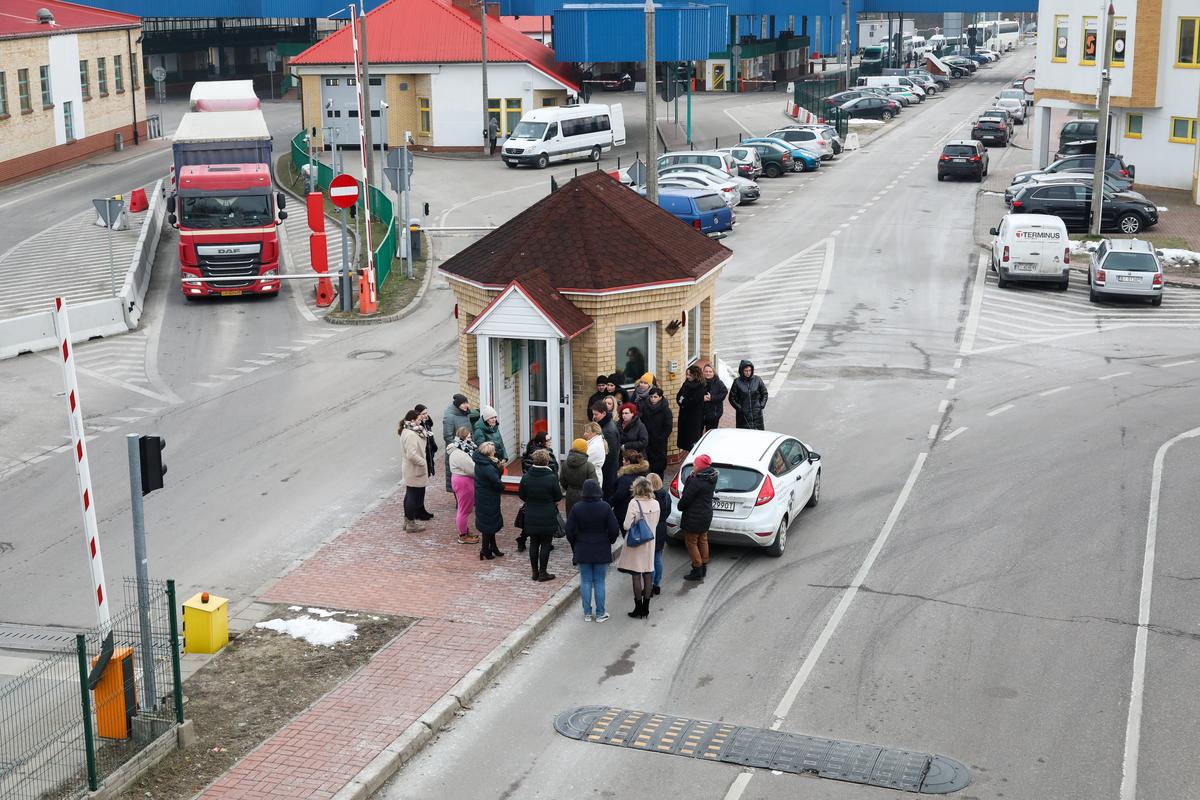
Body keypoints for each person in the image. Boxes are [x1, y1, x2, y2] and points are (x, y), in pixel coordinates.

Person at [565, 479, 619, 622]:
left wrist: (575, 542)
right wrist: (610, 540)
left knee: (586, 581)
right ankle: (600, 613)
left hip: (583, 548)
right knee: (599, 582)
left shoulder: (577, 508)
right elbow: (614, 528)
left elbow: (569, 530)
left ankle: (587, 613)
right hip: (601, 547)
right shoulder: (605, 507)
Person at [617, 476, 659, 618]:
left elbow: (626, 525)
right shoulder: (656, 503)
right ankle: (646, 609)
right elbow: (655, 522)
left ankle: (638, 608)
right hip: (650, 542)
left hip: (636, 543)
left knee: (636, 576)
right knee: (648, 575)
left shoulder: (634, 503)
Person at [518, 449, 563, 582]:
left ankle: (535, 572)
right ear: (547, 461)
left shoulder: (526, 477)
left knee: (533, 543)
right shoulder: (552, 478)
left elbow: (522, 495)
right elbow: (558, 496)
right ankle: (543, 572)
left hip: (531, 514)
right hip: (547, 514)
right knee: (545, 544)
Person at [516, 431, 559, 552]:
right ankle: (544, 541)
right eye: (548, 440)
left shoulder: (532, 452)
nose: (550, 442)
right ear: (541, 442)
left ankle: (523, 539)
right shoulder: (540, 455)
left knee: (531, 517)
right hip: (543, 490)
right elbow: (552, 471)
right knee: (546, 518)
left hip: (534, 492)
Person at [677, 454, 717, 581]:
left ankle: (697, 568)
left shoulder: (696, 481)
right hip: (705, 515)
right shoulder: (711, 477)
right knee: (703, 539)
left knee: (691, 542)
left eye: (695, 464)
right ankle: (703, 565)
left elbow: (686, 499)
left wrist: (680, 506)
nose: (693, 466)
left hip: (694, 517)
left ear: (701, 466)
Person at [473, 441, 506, 560]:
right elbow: (497, 482)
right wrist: (502, 487)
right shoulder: (488, 467)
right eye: (493, 450)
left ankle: (492, 547)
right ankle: (485, 550)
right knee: (488, 524)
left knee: (488, 523)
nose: (495, 452)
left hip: (483, 496)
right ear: (489, 453)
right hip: (489, 498)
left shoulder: (481, 462)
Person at [447, 427, 480, 545]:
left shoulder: (459, 449)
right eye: (469, 437)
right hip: (463, 482)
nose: (470, 439)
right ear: (463, 438)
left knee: (464, 508)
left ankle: (465, 531)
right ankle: (463, 535)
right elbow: (473, 469)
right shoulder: (461, 454)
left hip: (461, 481)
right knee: (464, 510)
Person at [398, 410, 429, 532]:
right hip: (414, 469)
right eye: (419, 420)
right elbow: (411, 454)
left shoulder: (407, 430)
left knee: (410, 494)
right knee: (413, 496)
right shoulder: (411, 434)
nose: (420, 421)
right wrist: (423, 462)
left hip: (411, 469)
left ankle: (407, 522)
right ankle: (410, 523)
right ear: (412, 420)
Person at [609, 448, 650, 531]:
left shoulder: (625, 478)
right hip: (643, 511)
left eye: (624, 459)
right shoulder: (645, 474)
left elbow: (619, 495)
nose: (622, 461)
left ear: (628, 462)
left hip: (625, 512)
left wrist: (611, 502)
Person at [639, 386, 673, 479]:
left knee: (659, 466)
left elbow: (668, 427)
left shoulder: (666, 410)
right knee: (648, 464)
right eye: (651, 397)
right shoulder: (645, 407)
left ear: (660, 397)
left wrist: (660, 439)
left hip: (659, 443)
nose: (653, 399)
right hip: (648, 441)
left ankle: (659, 483)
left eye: (655, 397)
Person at [591, 402, 621, 500]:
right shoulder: (604, 425)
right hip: (607, 469)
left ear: (603, 413)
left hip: (608, 471)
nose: (594, 417)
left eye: (596, 414)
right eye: (593, 414)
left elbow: (611, 454)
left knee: (606, 496)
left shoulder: (608, 431)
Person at [442, 394, 472, 493]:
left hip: (467, 449)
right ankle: (459, 499)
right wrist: (460, 448)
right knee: (458, 476)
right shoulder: (450, 417)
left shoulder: (465, 413)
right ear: (457, 405)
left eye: (466, 402)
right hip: (456, 451)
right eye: (463, 403)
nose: (466, 405)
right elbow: (448, 437)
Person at [560, 438, 598, 514]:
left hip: (570, 494)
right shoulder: (589, 466)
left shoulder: (565, 464)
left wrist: (570, 488)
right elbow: (594, 483)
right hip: (586, 496)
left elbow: (562, 481)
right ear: (585, 449)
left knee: (571, 516)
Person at [728, 359, 768, 430]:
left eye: (749, 370)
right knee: (745, 434)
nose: (748, 372)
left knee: (759, 434)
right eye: (746, 371)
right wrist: (739, 408)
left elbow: (764, 393)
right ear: (742, 371)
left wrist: (761, 405)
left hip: (757, 415)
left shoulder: (757, 380)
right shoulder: (737, 382)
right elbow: (731, 398)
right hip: (743, 416)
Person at [413, 405, 438, 518]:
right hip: (422, 458)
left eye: (426, 413)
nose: (426, 415)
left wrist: (433, 447)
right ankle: (417, 510)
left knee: (423, 484)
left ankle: (421, 508)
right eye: (423, 414)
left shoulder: (427, 423)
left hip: (428, 457)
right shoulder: (417, 427)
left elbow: (430, 438)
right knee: (418, 486)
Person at [648, 473, 670, 596]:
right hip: (662, 527)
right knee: (658, 556)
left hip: (652, 527)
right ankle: (657, 583)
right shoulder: (666, 495)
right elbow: (668, 511)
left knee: (650, 559)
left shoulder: (650, 498)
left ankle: (650, 584)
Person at [676, 364, 706, 453]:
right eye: (687, 374)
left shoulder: (700, 386)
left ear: (695, 375)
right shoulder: (686, 383)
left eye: (690, 375)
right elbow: (679, 395)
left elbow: (693, 401)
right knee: (684, 436)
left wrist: (683, 402)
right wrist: (681, 401)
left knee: (692, 438)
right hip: (684, 415)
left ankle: (692, 453)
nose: (687, 376)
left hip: (694, 417)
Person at [701, 363, 728, 433]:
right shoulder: (699, 382)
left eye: (710, 371)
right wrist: (701, 398)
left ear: (713, 373)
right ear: (703, 372)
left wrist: (712, 398)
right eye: (706, 371)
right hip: (701, 414)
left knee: (711, 433)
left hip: (714, 414)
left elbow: (724, 393)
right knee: (698, 434)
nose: (708, 373)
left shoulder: (718, 383)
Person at [583, 421, 608, 491]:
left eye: (587, 432)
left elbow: (584, 461)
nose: (584, 434)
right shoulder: (595, 443)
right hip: (592, 475)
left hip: (592, 476)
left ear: (594, 433)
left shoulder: (595, 446)